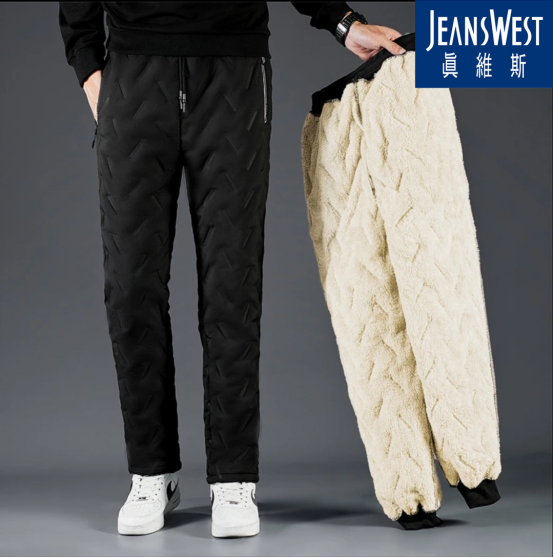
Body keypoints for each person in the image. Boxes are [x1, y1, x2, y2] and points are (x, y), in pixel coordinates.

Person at [58, 1, 405, 538]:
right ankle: (151, 472)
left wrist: (342, 22)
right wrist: (89, 67)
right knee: (130, 288)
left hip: (234, 75)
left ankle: (234, 477)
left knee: (232, 284)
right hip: (133, 73)